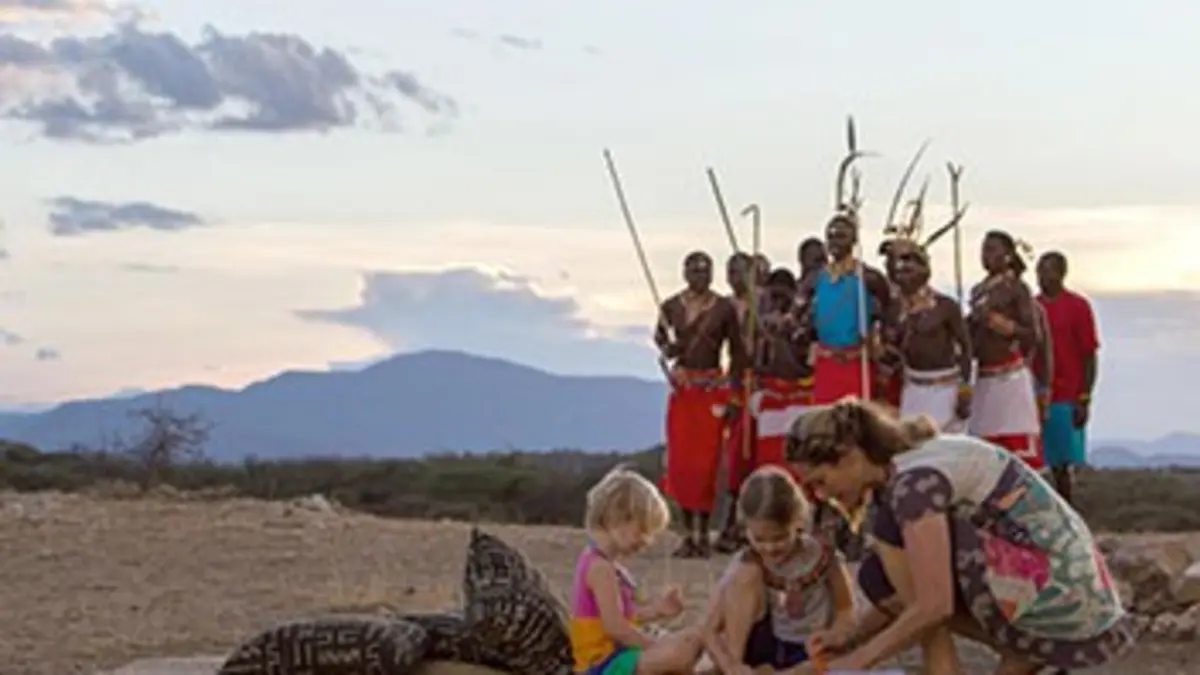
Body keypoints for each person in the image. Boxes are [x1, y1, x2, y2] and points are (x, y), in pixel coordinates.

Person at [785, 399, 1136, 675]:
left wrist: (860, 660)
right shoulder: (908, 461)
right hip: (1073, 591)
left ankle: (1005, 654)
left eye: (819, 481)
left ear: (849, 457)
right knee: (878, 573)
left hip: (1063, 600)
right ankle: (1014, 653)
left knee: (892, 541)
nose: (819, 495)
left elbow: (933, 604)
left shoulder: (913, 486)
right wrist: (848, 638)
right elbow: (902, 586)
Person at [700, 466, 855, 675]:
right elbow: (710, 629)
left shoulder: (823, 556)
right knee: (747, 574)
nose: (770, 547)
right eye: (759, 539)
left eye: (780, 537)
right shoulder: (749, 561)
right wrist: (731, 665)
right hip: (768, 644)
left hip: (811, 647)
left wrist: (836, 634)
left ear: (797, 522)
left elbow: (846, 609)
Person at [570, 466, 704, 675]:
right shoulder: (600, 569)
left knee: (692, 639)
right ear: (617, 518)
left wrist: (657, 611)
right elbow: (615, 628)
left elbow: (622, 616)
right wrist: (654, 646)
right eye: (643, 531)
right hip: (603, 664)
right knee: (681, 651)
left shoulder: (607, 565)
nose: (647, 541)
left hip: (616, 657)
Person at [654, 251, 744, 558]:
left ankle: (704, 533)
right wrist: (670, 348)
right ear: (684, 273)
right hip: (683, 391)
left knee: (706, 464)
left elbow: (738, 354)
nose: (699, 276)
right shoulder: (670, 307)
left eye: (705, 270)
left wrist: (734, 396)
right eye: (694, 270)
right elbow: (660, 339)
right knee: (680, 464)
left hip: (711, 391)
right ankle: (687, 533)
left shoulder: (723, 309)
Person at [967, 231, 1047, 470]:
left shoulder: (1017, 289)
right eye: (983, 249)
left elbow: (1034, 335)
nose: (986, 255)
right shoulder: (978, 291)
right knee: (985, 451)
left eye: (992, 249)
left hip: (1010, 378)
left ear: (1008, 255)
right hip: (983, 378)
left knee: (1016, 452)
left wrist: (1005, 326)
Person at [882, 230, 972, 433]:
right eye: (899, 272)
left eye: (909, 270)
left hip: (945, 388)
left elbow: (966, 349)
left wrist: (965, 391)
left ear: (924, 271)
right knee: (911, 447)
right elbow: (891, 353)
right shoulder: (895, 310)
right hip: (913, 389)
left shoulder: (945, 306)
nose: (903, 275)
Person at [802, 214, 894, 405]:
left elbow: (889, 313)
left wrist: (879, 341)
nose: (834, 241)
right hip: (826, 362)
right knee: (825, 419)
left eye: (841, 236)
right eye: (831, 236)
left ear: (854, 240)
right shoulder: (815, 278)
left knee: (856, 420)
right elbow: (797, 315)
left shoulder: (870, 278)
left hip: (856, 362)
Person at [1036, 251, 1100, 505]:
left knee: (1062, 465)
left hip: (1066, 395)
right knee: (1037, 463)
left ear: (1061, 273)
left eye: (1047, 270)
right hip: (1037, 392)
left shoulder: (1077, 306)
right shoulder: (1032, 306)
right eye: (1039, 270)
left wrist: (1084, 398)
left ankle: (1069, 516)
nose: (1042, 276)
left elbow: (1089, 355)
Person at [716, 252, 761, 553]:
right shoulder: (725, 307)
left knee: (757, 455)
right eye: (730, 271)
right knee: (735, 459)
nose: (734, 277)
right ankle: (732, 521)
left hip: (762, 383)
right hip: (736, 381)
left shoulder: (765, 303)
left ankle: (753, 523)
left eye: (740, 271)